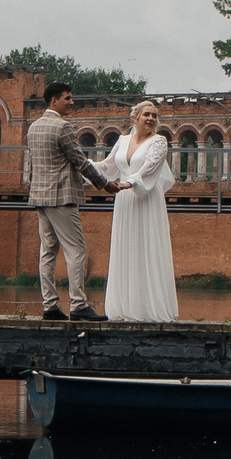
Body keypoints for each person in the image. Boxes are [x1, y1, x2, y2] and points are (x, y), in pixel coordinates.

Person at [26, 82, 125, 321]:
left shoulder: (33, 128)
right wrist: (106, 184)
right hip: (61, 197)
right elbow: (81, 162)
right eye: (67, 98)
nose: (72, 102)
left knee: (47, 252)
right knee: (76, 249)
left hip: (40, 197)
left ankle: (49, 305)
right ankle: (79, 304)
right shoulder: (63, 127)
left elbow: (35, 165)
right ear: (54, 101)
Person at [97, 100, 178, 321]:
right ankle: (124, 308)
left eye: (154, 115)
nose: (151, 118)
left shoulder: (159, 142)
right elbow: (107, 166)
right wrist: (81, 165)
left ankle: (147, 309)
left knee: (146, 246)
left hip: (146, 198)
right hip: (124, 202)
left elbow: (148, 168)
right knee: (126, 246)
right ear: (136, 118)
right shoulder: (122, 141)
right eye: (146, 115)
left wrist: (128, 183)